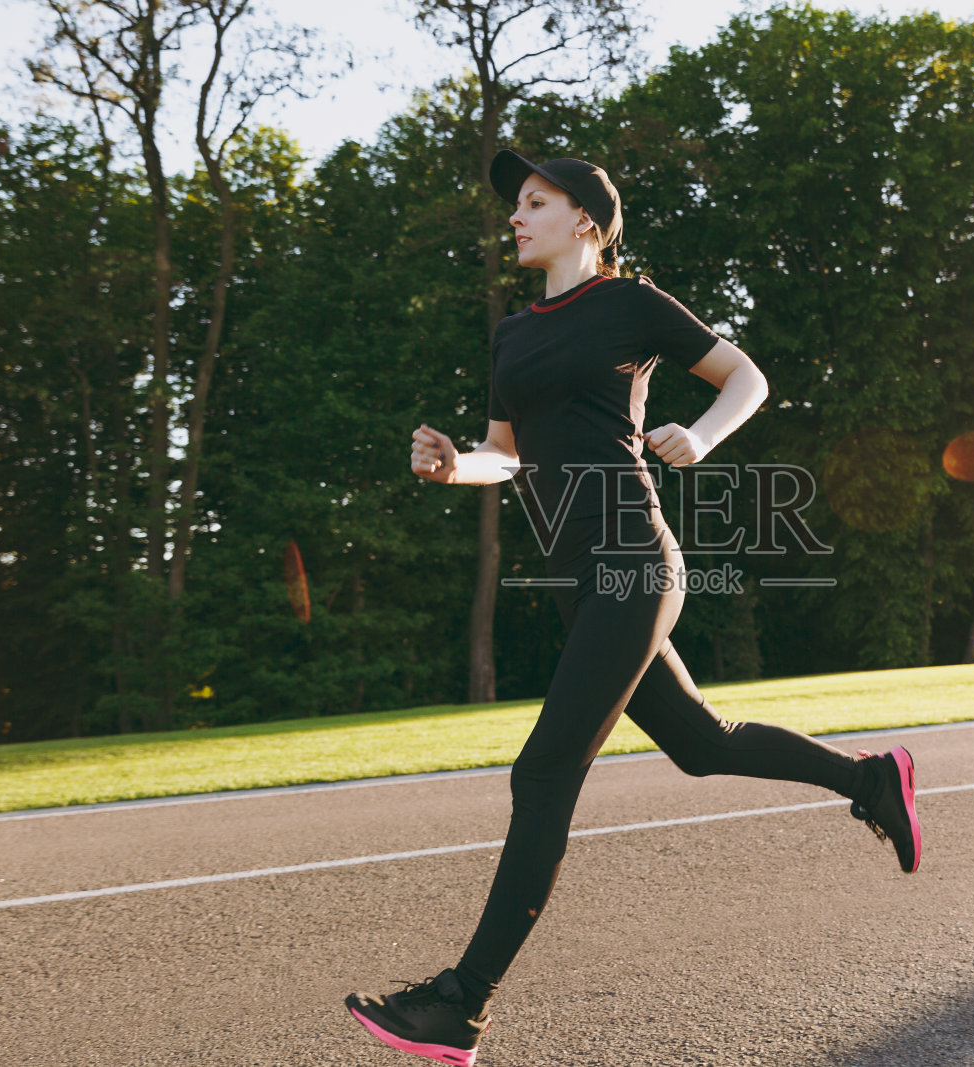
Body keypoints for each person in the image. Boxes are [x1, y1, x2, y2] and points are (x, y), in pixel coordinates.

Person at [344, 150, 922, 1066]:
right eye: (516, 205)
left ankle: (461, 1005)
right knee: (702, 744)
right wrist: (458, 465)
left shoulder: (634, 304)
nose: (516, 216)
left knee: (541, 778)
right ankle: (870, 779)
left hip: (632, 559)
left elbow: (747, 378)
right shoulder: (511, 333)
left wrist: (699, 434)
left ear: (586, 220)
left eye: (535, 202)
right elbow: (508, 452)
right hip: (580, 576)